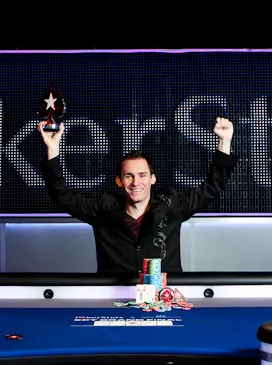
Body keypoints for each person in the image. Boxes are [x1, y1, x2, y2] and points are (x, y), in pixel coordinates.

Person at [38, 117, 238, 274]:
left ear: (152, 179)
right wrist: (52, 148)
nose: (136, 183)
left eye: (142, 175)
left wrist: (225, 141)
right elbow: (61, 194)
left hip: (165, 299)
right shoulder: (102, 209)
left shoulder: (172, 205)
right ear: (119, 181)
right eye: (129, 176)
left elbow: (212, 187)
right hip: (111, 299)